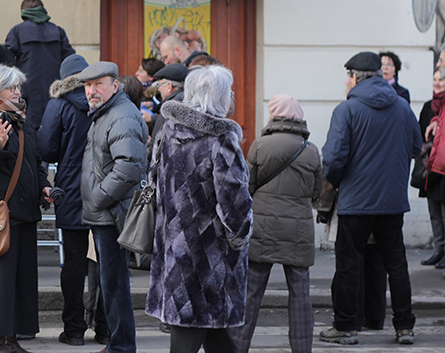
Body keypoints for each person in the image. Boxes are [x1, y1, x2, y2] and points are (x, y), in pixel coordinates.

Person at [146, 65, 253, 353]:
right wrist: (240, 237)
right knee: (193, 330)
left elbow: (154, 183)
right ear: (218, 97)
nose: (232, 95)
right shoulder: (221, 139)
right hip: (209, 254)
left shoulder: (167, 133)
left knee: (208, 329)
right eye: (229, 91)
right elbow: (234, 203)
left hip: (175, 247)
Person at [320, 51, 421, 346]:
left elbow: (334, 159)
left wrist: (337, 184)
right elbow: (416, 147)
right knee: (397, 265)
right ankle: (404, 327)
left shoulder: (347, 110)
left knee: (350, 264)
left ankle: (345, 327)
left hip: (356, 201)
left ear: (354, 77)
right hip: (392, 202)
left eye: (347, 76)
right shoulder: (402, 106)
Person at [229, 94, 321, 353]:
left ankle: (238, 346)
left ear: (274, 114)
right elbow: (317, 192)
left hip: (263, 226)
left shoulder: (260, 145)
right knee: (300, 293)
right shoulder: (310, 149)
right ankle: (302, 349)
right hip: (299, 229)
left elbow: (247, 186)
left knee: (252, 292)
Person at [0, 65, 51, 353]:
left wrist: (45, 187)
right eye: (11, 87)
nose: (17, 92)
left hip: (25, 211)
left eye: (18, 87)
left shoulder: (22, 121)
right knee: (0, 282)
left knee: (22, 280)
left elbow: (35, 161)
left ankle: (12, 339)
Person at [38, 54, 109, 346]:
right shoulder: (105, 101)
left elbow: (47, 149)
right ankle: (105, 328)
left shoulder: (58, 104)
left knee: (74, 263)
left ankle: (74, 329)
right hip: (106, 190)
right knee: (106, 262)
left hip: (71, 188)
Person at [78, 61, 147, 353]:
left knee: (115, 285)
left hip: (112, 213)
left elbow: (130, 165)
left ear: (114, 86)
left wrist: (98, 197)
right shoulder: (106, 113)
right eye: (88, 85)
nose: (92, 91)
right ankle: (119, 345)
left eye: (98, 84)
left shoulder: (120, 114)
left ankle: (121, 347)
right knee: (111, 283)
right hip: (105, 212)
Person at [5, 0, 75, 128]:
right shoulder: (58, 31)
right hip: (55, 91)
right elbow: (70, 60)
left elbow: (7, 61)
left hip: (26, 92)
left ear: (23, 12)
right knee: (54, 128)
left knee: (28, 132)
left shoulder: (17, 31)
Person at [422, 67, 445, 269]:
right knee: (434, 212)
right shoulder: (430, 105)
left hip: (443, 166)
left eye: (441, 80)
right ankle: (439, 251)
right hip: (431, 165)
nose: (437, 83)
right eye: (435, 79)